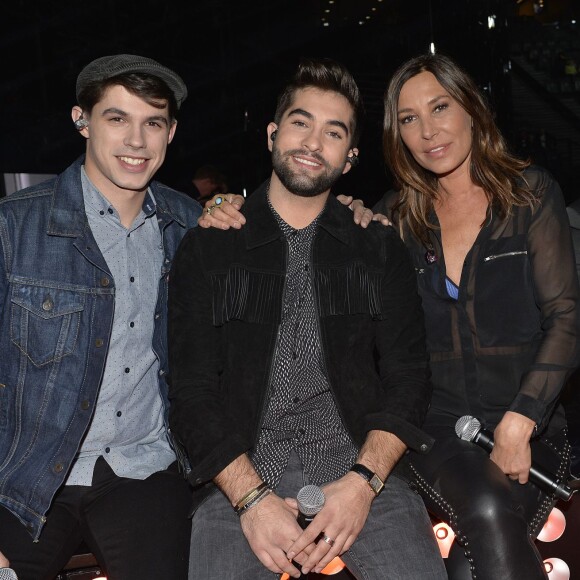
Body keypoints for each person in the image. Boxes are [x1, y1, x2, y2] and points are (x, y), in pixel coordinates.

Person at [167, 57, 447, 580]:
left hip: (361, 479)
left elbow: (409, 377)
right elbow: (191, 393)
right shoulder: (210, 249)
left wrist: (364, 482)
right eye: (301, 122)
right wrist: (251, 500)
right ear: (273, 134)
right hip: (241, 483)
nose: (313, 142)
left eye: (333, 132)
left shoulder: (377, 247)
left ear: (350, 158)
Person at [0, 54, 243, 580]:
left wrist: (360, 213)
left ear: (171, 132)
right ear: (81, 120)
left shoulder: (192, 230)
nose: (136, 140)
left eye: (152, 122)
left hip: (144, 469)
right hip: (25, 474)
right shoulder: (13, 228)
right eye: (117, 119)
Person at [375, 53, 580, 579]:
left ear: (471, 108)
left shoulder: (530, 194)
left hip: (530, 423)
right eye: (408, 118)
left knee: (471, 566)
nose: (428, 130)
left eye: (440, 107)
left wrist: (521, 420)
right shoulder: (397, 217)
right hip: (438, 430)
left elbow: (566, 317)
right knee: (487, 509)